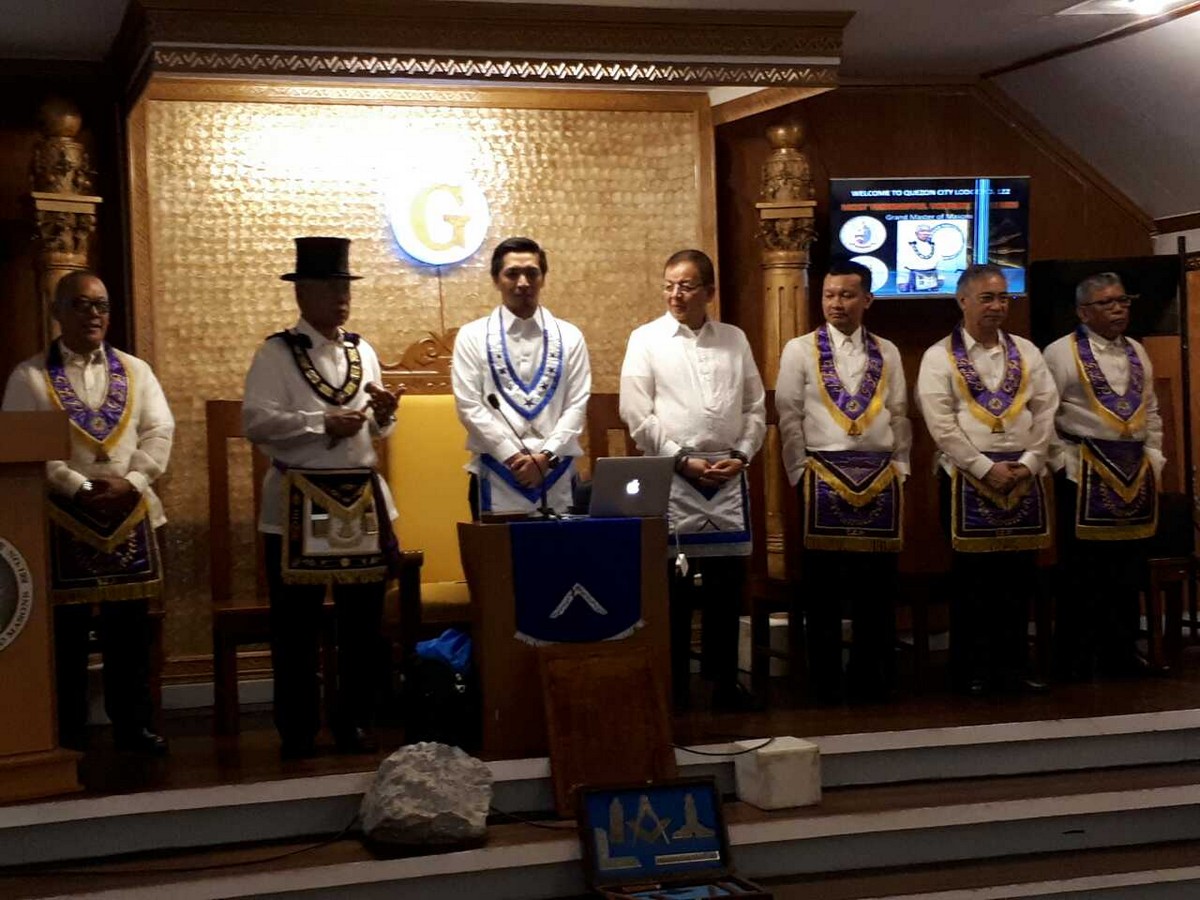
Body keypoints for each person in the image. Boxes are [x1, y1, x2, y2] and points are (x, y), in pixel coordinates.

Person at [243, 237, 401, 759]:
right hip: (297, 497)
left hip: (358, 496)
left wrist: (383, 414)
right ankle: (297, 728)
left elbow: (376, 431)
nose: (341, 297)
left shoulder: (362, 351)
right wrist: (321, 423)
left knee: (362, 623)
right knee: (296, 624)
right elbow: (257, 422)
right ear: (302, 293)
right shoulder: (275, 353)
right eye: (331, 287)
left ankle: (354, 721)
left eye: (345, 286)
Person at [2, 270, 173, 754]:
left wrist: (133, 480)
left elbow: (159, 431)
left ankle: (134, 726)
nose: (93, 314)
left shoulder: (137, 372)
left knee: (130, 630)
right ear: (56, 312)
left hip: (130, 511)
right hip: (61, 517)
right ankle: (66, 730)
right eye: (81, 304)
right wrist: (76, 486)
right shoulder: (29, 376)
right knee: (66, 635)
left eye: (101, 305)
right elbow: (24, 447)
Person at [619, 249, 766, 710]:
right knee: (673, 589)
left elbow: (754, 407)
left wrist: (742, 454)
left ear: (709, 291)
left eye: (685, 286)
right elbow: (636, 413)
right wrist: (679, 459)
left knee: (726, 587)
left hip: (727, 471)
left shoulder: (734, 339)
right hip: (672, 473)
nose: (675, 295)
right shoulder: (646, 339)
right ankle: (674, 686)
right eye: (669, 286)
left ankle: (723, 683)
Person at [916, 263, 1058, 696]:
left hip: (1023, 477)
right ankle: (971, 669)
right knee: (972, 581)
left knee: (1019, 578)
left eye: (1003, 298)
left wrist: (1031, 462)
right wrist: (983, 467)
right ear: (962, 301)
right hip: (967, 479)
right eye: (987, 298)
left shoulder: (1027, 352)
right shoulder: (939, 356)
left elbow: (1046, 409)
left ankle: (1014, 666)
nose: (997, 306)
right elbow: (940, 423)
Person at [775, 260, 911, 704]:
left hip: (879, 475)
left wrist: (901, 467)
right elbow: (789, 415)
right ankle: (824, 680)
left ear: (867, 299)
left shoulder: (887, 351)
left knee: (877, 586)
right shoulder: (799, 350)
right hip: (822, 475)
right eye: (830, 295)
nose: (837, 303)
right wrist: (799, 471)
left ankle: (873, 677)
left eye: (847, 295)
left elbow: (900, 413)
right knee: (823, 588)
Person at [1044, 272, 1164, 680]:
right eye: (1107, 303)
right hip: (1084, 470)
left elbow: (1150, 410)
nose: (1118, 309)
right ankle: (1076, 659)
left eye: (1123, 301)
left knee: (1128, 568)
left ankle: (1122, 653)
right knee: (1082, 571)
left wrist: (1154, 458)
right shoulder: (1060, 353)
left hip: (1132, 471)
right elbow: (1044, 414)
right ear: (1083, 312)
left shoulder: (1137, 351)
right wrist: (1062, 464)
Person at [451, 236, 591, 518]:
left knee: (564, 548)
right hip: (495, 471)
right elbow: (469, 406)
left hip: (556, 473)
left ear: (543, 278)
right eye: (512, 273)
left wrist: (546, 457)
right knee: (495, 549)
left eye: (532, 273)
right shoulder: (471, 336)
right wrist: (513, 456)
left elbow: (577, 404)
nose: (523, 282)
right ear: (496, 279)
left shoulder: (570, 336)